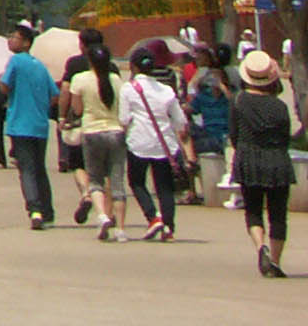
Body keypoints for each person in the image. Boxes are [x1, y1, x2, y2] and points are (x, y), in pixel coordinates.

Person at [61, 24, 127, 235]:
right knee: (114, 180)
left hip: (91, 131)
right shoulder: (115, 77)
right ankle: (118, 225)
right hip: (115, 131)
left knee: (94, 177)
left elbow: (76, 107)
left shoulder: (78, 74)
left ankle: (101, 215)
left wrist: (64, 117)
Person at [235, 48, 295, 277]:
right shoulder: (279, 106)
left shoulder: (240, 102)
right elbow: (285, 136)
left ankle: (261, 247)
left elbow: (234, 133)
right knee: (278, 214)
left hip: (249, 159)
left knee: (253, 210)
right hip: (278, 161)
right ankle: (276, 262)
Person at [119, 44, 188, 242]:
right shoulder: (166, 90)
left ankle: (152, 217)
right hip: (164, 144)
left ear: (133, 67)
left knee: (137, 182)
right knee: (164, 188)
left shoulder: (128, 89)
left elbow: (123, 119)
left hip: (139, 142)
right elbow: (180, 121)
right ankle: (168, 227)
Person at [0, 22, 59, 227]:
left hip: (20, 125)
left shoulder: (15, 61)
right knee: (40, 168)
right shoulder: (39, 65)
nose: (10, 40)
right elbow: (54, 95)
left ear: (25, 42)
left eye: (13, 37)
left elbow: (5, 88)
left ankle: (35, 210)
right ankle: (47, 210)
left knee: (27, 169)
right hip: (39, 125)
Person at [194, 54, 239, 207]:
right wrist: (196, 83)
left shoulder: (230, 95)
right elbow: (189, 110)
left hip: (225, 134)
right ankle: (192, 185)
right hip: (207, 134)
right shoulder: (203, 96)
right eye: (211, 78)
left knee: (226, 143)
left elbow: (235, 105)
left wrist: (222, 87)